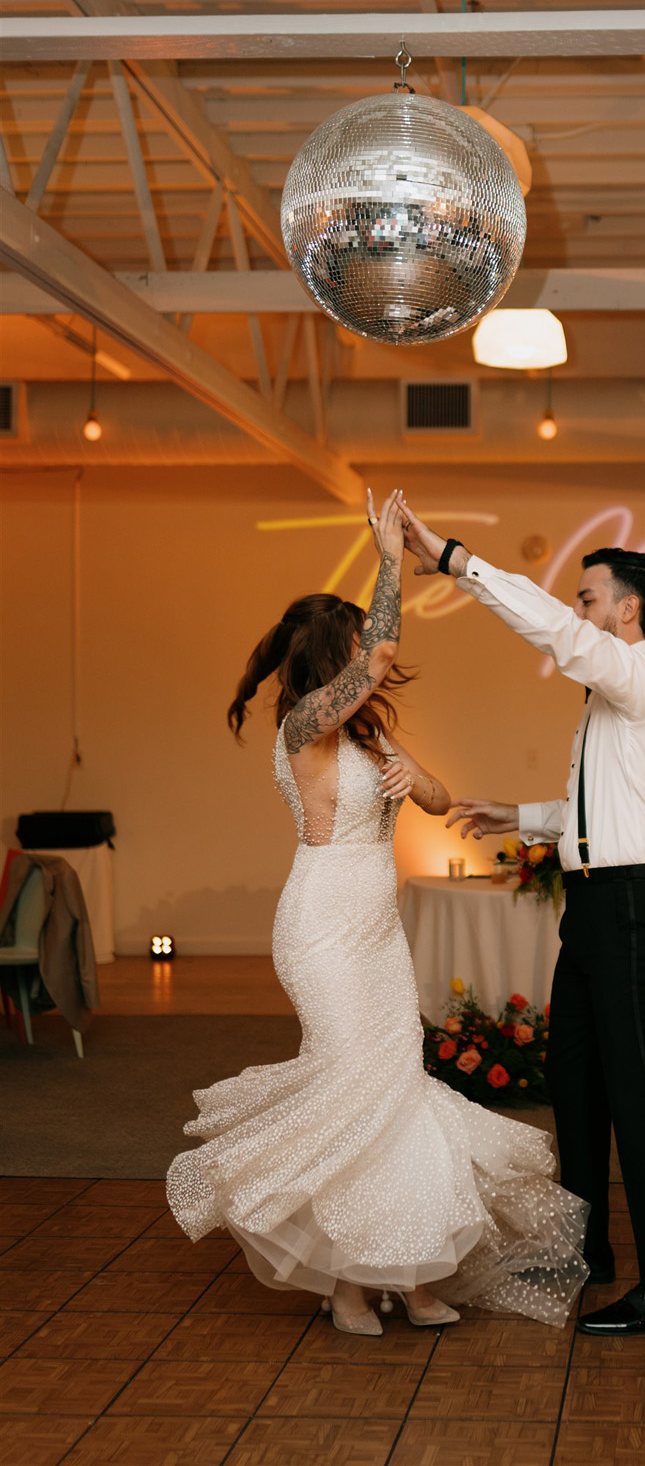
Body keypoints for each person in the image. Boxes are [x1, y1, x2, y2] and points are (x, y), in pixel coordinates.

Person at [167, 490, 587, 1337]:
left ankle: (410, 1276)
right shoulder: (306, 725)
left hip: (376, 930)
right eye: (359, 644)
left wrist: (407, 780)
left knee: (394, 1094)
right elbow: (387, 646)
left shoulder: (362, 734)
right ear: (337, 651)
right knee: (353, 1093)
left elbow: (435, 796)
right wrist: (390, 554)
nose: (375, 657)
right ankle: (347, 1284)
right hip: (321, 926)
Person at [400, 502, 645, 1337]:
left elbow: (556, 637)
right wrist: (526, 815)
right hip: (601, 907)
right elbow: (606, 808)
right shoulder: (609, 705)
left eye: (587, 596)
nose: (578, 612)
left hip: (638, 908)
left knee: (641, 1097)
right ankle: (590, 1249)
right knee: (575, 1079)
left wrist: (460, 561)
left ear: (627, 609)